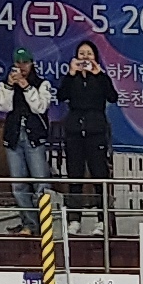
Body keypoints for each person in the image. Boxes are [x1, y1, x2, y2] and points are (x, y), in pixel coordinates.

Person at [0, 49, 56, 210]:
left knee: (41, 182)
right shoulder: (6, 84)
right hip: (13, 137)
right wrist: (9, 86)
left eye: (25, 62)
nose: (22, 66)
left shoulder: (42, 84)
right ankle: (29, 221)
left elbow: (39, 107)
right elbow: (2, 106)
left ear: (32, 63)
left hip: (34, 137)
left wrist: (26, 87)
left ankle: (45, 221)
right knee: (18, 185)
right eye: (18, 62)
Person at [56, 39, 121, 184]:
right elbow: (61, 96)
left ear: (95, 57)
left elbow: (113, 97)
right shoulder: (71, 77)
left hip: (96, 130)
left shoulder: (101, 77)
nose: (85, 57)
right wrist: (71, 74)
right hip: (74, 131)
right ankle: (75, 199)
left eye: (89, 54)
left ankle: (101, 199)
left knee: (99, 171)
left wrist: (99, 74)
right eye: (82, 54)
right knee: (74, 172)